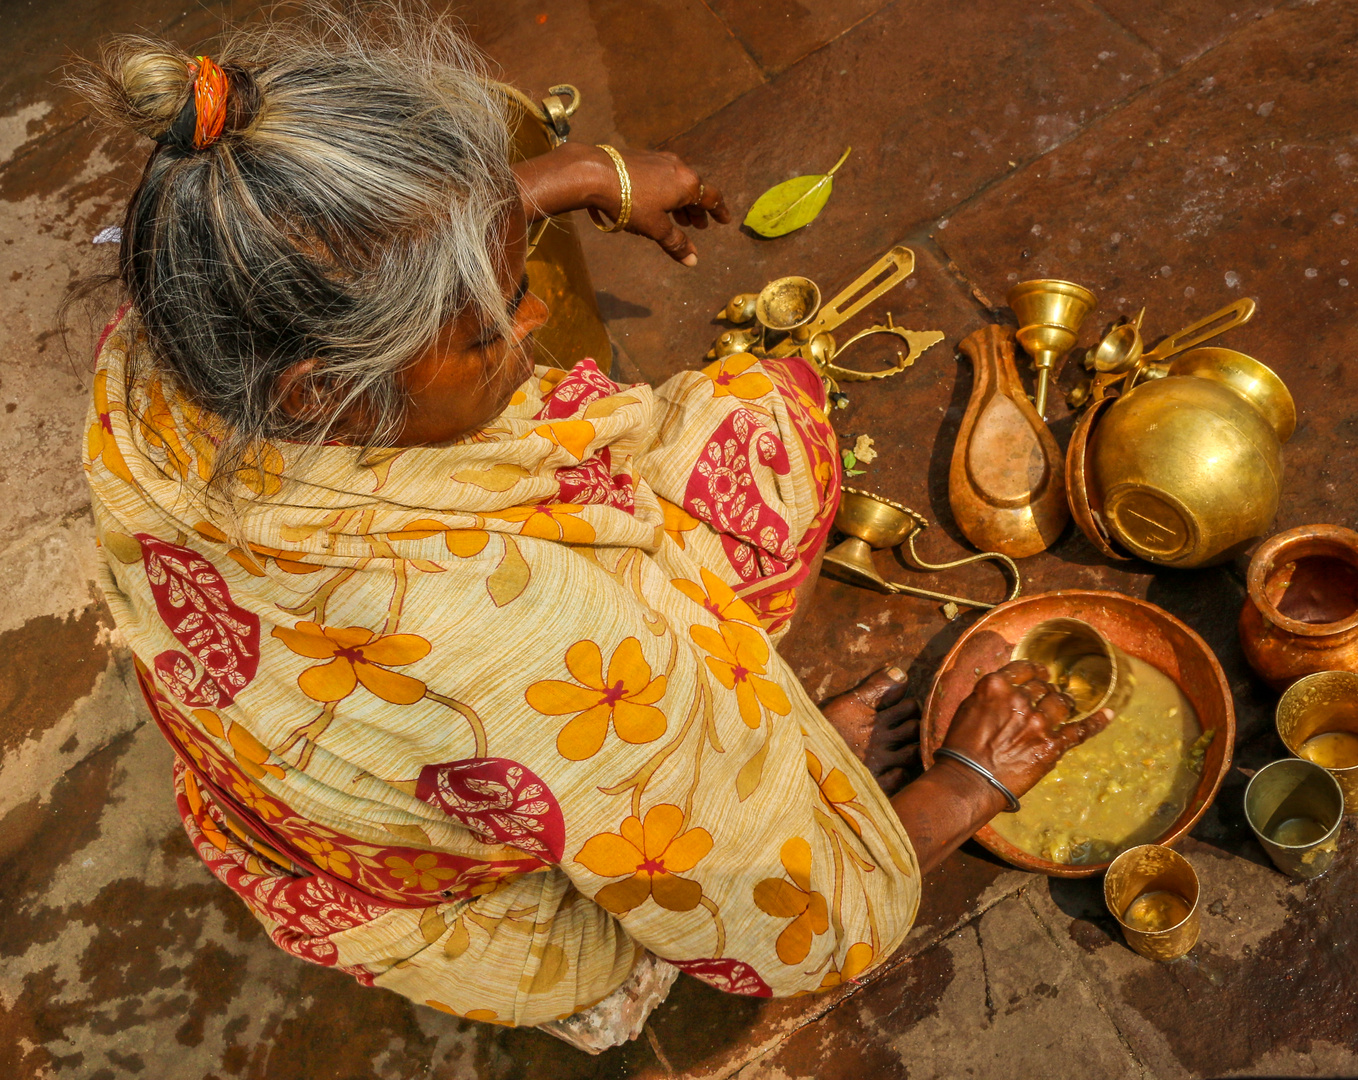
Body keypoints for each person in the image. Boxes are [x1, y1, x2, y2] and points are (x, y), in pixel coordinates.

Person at [77, 3, 1099, 1051]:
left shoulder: (164, 343)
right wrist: (962, 789)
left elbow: (351, 256)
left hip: (290, 797)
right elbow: (814, 935)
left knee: (725, 460)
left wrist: (578, 176)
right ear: (319, 390)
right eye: (490, 323)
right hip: (476, 901)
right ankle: (687, 866)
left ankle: (709, 768)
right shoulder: (528, 635)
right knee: (762, 436)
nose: (529, 324)